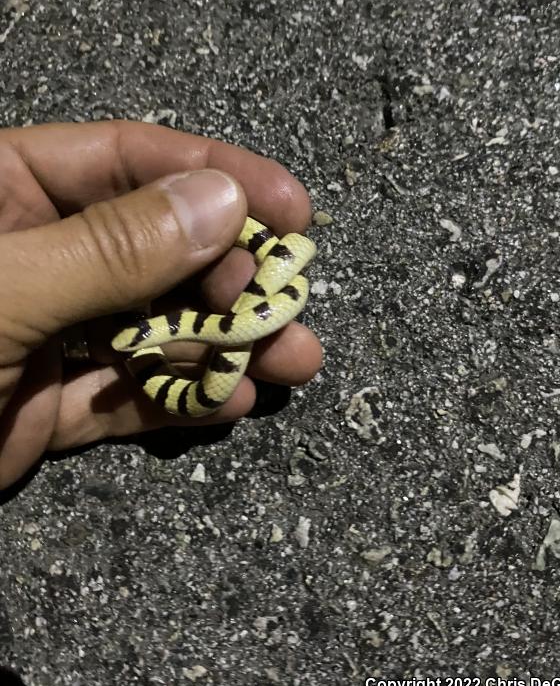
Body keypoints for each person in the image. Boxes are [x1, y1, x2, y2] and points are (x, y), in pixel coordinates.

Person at [0, 120, 323, 490]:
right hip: (269, 278)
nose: (127, 350)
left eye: (133, 344)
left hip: (269, 270)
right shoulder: (176, 335)